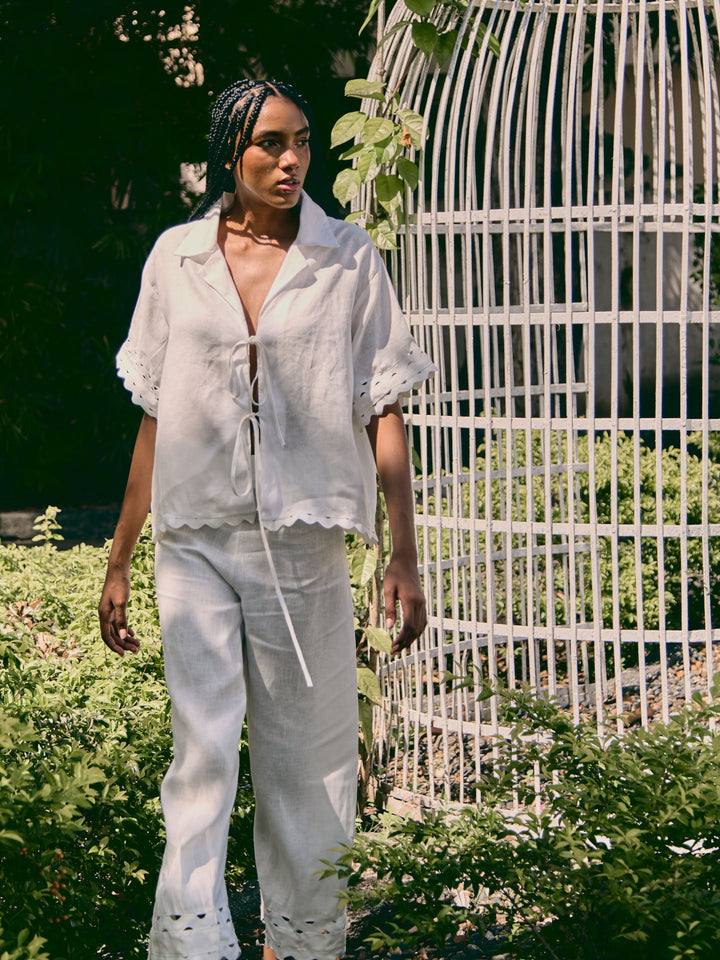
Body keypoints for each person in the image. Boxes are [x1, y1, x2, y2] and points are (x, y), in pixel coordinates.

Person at [98, 78, 435, 960]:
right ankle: (192, 947)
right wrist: (120, 555)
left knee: (309, 764)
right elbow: (157, 414)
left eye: (303, 142)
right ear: (230, 154)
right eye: (271, 144)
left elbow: (383, 406)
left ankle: (308, 942)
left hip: (303, 544)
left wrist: (403, 554)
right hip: (195, 541)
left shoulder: (347, 255)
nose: (292, 161)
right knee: (201, 756)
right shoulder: (176, 258)